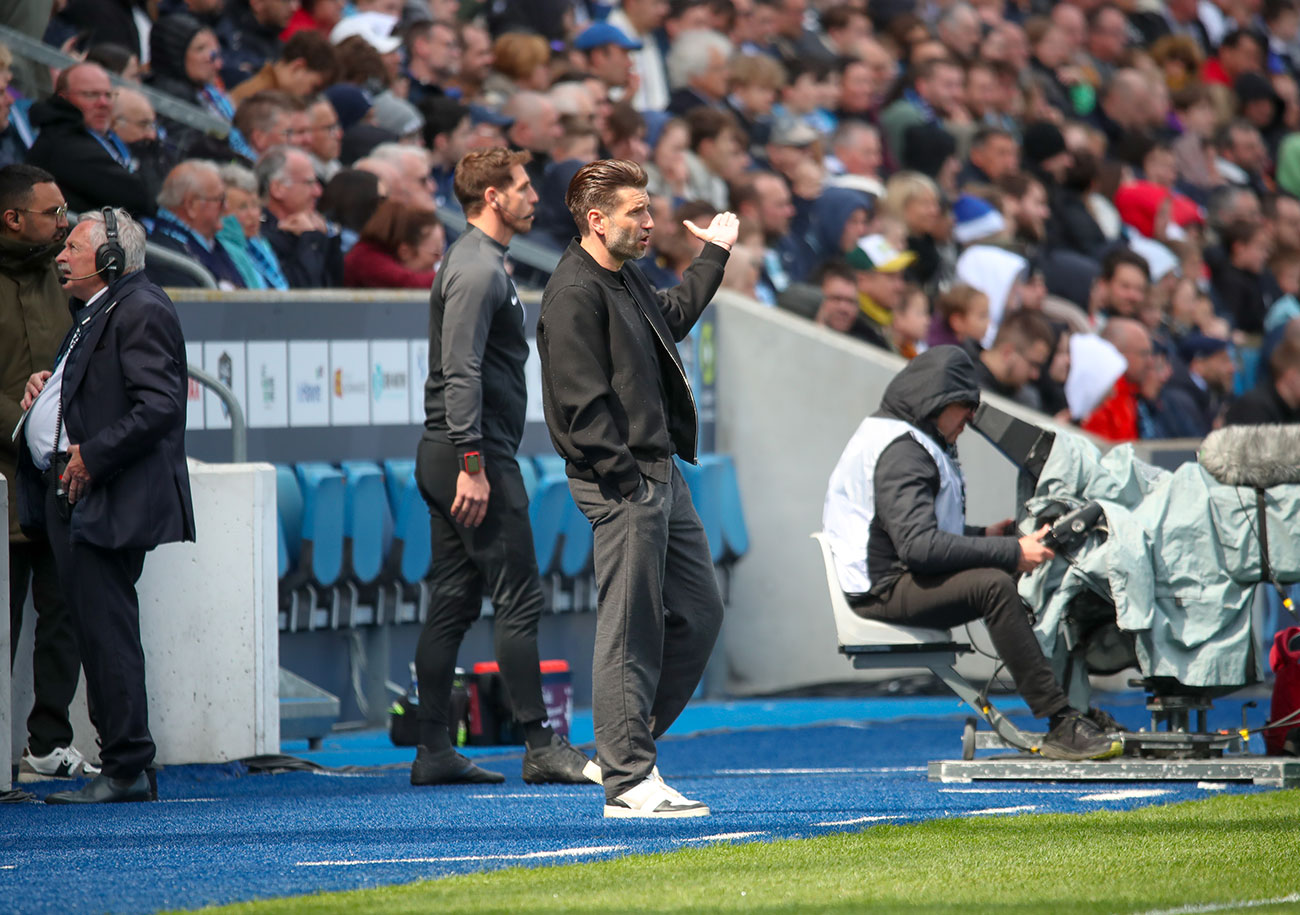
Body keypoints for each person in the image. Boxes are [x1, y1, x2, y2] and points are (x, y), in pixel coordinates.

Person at [537, 158, 738, 817]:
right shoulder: (573, 290)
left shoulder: (624, 277)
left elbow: (673, 315)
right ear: (596, 219)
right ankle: (628, 780)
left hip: (660, 475)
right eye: (636, 213)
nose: (650, 222)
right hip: (624, 479)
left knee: (699, 612)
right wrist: (626, 483)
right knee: (632, 630)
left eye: (648, 210)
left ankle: (625, 747)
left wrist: (715, 253)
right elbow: (582, 406)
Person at [822, 346, 1122, 762]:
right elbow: (919, 548)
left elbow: (905, 535)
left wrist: (986, 535)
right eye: (967, 409)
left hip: (892, 575)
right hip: (883, 590)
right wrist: (1009, 551)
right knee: (994, 586)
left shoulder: (903, 438)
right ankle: (1060, 721)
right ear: (939, 401)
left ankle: (1077, 710)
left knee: (1016, 575)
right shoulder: (903, 451)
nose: (968, 421)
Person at [412, 148, 598, 788]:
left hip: (456, 451)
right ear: (491, 197)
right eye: (520, 187)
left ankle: (434, 750)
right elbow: (459, 368)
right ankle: (540, 745)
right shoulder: (476, 269)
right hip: (472, 455)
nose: (533, 197)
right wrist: (472, 462)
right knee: (518, 599)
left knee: (454, 604)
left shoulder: (481, 262)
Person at [15, 207, 195, 803]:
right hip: (80, 495)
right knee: (98, 632)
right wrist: (52, 389)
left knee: (107, 633)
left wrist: (90, 454)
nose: (61, 256)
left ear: (111, 259)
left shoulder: (139, 307)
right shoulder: (105, 309)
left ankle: (125, 766)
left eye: (73, 246)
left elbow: (159, 405)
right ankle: (125, 762)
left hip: (103, 495)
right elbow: (109, 390)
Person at [0, 165, 92, 780]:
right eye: (53, 213)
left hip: (61, 473)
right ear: (12, 218)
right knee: (2, 617)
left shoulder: (73, 280)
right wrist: (23, 428)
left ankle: (49, 741)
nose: (64, 223)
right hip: (5, 479)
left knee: (66, 610)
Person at [24, 63, 155, 217]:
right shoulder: (65, 145)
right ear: (63, 98)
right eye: (91, 95)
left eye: (108, 95)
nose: (103, 103)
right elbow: (140, 197)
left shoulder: (99, 138)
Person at [343, 200, 443, 288]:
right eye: (435, 254)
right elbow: (409, 282)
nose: (438, 260)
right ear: (405, 252)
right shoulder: (367, 259)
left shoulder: (367, 253)